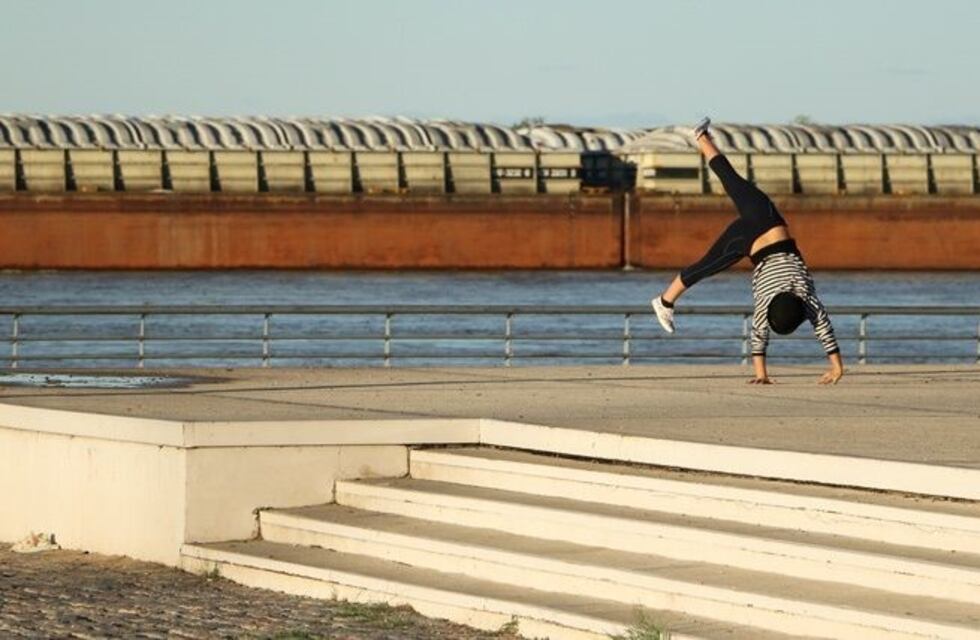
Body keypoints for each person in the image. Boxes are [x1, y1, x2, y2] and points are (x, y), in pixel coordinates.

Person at [650, 117, 844, 385]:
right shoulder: (775, 305)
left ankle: (701, 138)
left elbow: (824, 328)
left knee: (730, 178)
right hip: (751, 243)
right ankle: (664, 301)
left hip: (768, 219)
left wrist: (837, 367)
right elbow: (759, 337)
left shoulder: (807, 299)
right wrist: (761, 375)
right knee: (707, 265)